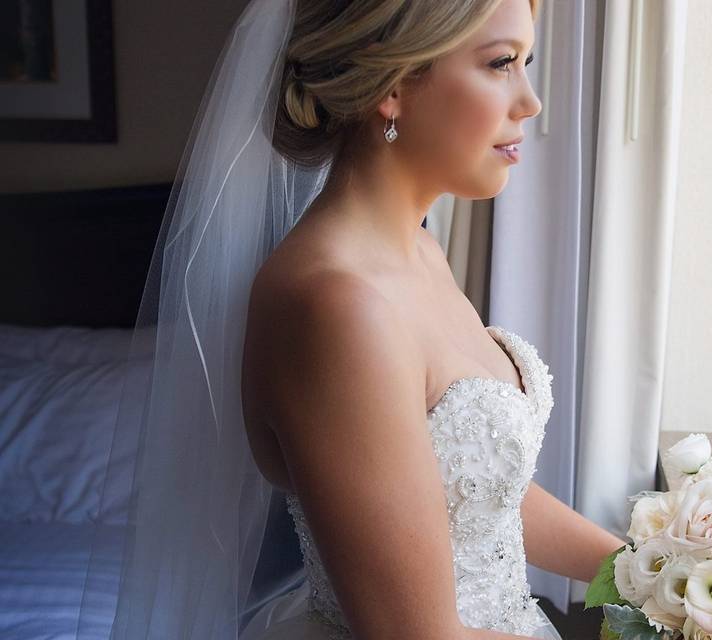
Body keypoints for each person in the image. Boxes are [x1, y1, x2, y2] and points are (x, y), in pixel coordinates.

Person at [82, 0, 625, 638]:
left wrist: (653, 571)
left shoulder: (417, 248)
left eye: (524, 63)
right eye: (501, 64)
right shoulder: (335, 306)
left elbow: (476, 496)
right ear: (393, 85)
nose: (529, 102)